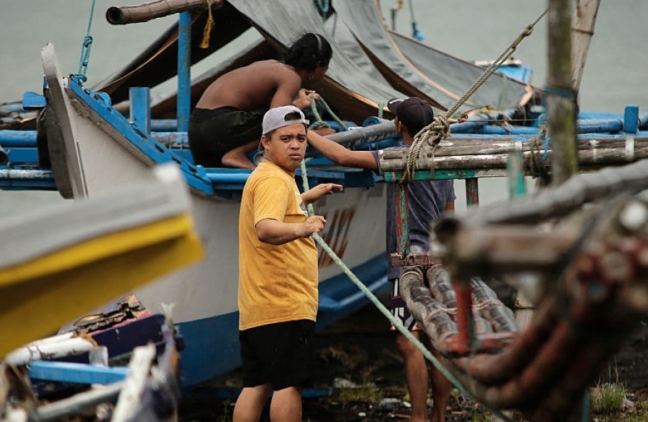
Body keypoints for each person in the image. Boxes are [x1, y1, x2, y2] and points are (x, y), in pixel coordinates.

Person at [307, 97, 455, 422]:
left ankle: (419, 417)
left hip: (407, 267)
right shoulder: (442, 160)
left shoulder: (395, 157)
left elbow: (341, 155)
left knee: (409, 340)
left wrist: (303, 131)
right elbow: (450, 218)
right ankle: (440, 416)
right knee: (438, 338)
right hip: (441, 262)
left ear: (399, 125)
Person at [234, 105, 344, 422]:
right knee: (288, 385)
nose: (295, 145)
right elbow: (266, 228)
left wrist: (307, 197)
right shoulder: (275, 181)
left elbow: (277, 208)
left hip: (258, 305)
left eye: (300, 137)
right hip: (284, 302)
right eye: (285, 138)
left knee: (255, 383)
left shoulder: (270, 177)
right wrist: (303, 227)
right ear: (265, 142)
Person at [189, 32, 333, 169]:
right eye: (325, 69)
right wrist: (317, 133)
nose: (324, 75)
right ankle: (237, 154)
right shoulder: (291, 77)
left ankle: (234, 155)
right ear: (318, 65)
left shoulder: (270, 65)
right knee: (280, 120)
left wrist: (296, 105)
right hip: (219, 125)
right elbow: (277, 119)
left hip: (196, 131)